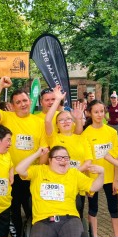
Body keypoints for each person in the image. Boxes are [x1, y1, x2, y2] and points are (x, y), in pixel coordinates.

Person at [0, 77, 49, 237]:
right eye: (18, 102)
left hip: (31, 176)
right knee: (14, 215)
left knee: (35, 212)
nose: (22, 104)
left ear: (30, 101)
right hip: (11, 177)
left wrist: (41, 173)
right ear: (12, 106)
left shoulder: (39, 122)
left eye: (24, 100)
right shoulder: (7, 117)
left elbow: (44, 150)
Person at [81, 100, 118, 237]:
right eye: (96, 112)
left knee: (114, 209)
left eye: (102, 111)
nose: (100, 115)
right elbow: (86, 160)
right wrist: (87, 182)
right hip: (93, 179)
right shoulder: (86, 134)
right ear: (89, 113)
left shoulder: (111, 132)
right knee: (93, 209)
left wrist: (115, 179)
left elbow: (114, 157)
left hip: (109, 178)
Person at [45, 86, 92, 218]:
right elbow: (47, 120)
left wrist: (72, 173)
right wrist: (57, 100)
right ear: (57, 125)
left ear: (72, 122)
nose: (65, 122)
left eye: (68, 119)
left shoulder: (81, 139)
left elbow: (88, 161)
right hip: (57, 184)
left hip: (76, 184)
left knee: (77, 215)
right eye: (61, 120)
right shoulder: (54, 138)